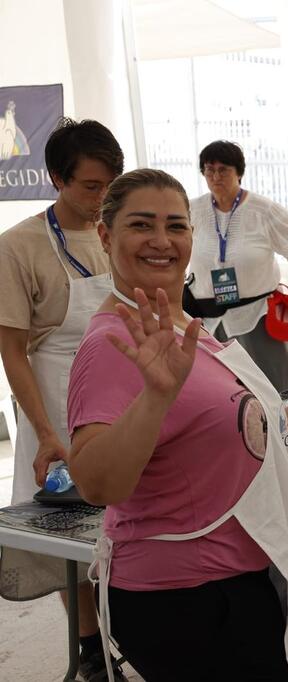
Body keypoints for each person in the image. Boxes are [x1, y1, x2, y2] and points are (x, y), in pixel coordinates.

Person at [66, 169, 288, 681]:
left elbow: (195, 427)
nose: (161, 241)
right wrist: (154, 396)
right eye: (141, 225)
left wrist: (280, 418)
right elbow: (97, 483)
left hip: (233, 581)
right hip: (183, 599)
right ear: (105, 236)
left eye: (176, 226)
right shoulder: (113, 344)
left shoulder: (180, 323)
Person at [0, 117, 126, 680]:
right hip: (51, 401)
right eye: (91, 187)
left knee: (123, 525)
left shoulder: (116, 232)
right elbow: (13, 351)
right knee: (71, 544)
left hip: (119, 392)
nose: (102, 200)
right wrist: (47, 431)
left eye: (110, 186)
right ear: (56, 178)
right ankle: (90, 651)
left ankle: (127, 636)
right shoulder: (19, 246)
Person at [186, 140, 288, 390]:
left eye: (223, 169)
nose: (215, 176)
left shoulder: (263, 211)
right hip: (209, 319)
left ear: (239, 172)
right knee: (222, 392)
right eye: (208, 169)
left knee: (274, 387)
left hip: (258, 317)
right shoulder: (193, 209)